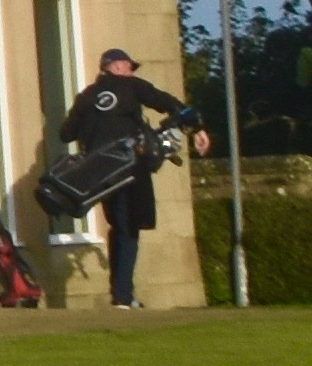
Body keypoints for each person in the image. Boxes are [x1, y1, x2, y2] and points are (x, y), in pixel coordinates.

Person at [53, 50, 207, 307]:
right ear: (116, 66)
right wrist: (197, 127)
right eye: (129, 66)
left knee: (118, 226)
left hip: (99, 175)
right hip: (129, 168)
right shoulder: (132, 87)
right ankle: (123, 296)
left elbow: (66, 133)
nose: (132, 71)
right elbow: (166, 102)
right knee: (129, 228)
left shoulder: (86, 96)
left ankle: (121, 293)